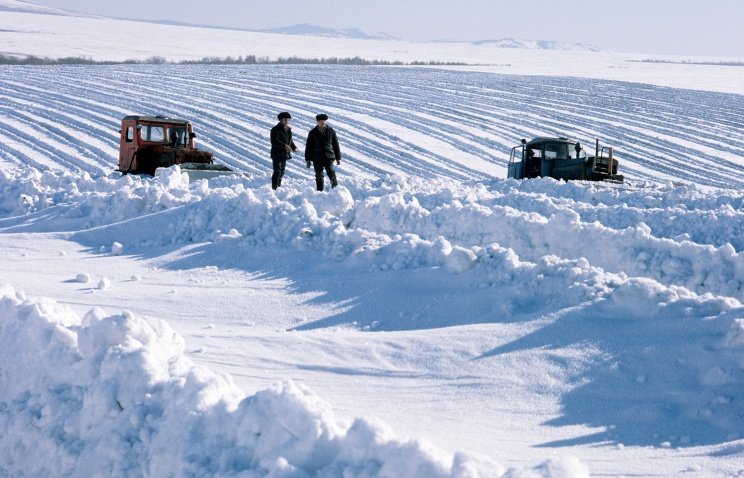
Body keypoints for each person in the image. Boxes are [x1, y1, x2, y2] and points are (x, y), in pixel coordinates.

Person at [304, 113, 341, 191]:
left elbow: (336, 145)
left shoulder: (331, 131)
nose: (323, 122)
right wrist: (307, 159)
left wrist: (338, 157)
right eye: (321, 121)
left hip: (329, 156)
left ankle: (335, 189)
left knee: (331, 172)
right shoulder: (312, 132)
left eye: (324, 121)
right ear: (317, 122)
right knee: (319, 175)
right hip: (317, 157)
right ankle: (319, 192)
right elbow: (308, 146)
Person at [270, 112, 298, 190]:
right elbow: (274, 141)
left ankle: (278, 187)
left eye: (287, 119)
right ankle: (274, 188)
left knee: (282, 172)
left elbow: (290, 140)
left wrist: (294, 147)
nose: (286, 121)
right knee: (277, 172)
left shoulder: (288, 129)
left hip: (284, 154)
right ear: (281, 120)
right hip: (276, 154)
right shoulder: (275, 129)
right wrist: (284, 146)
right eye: (285, 119)